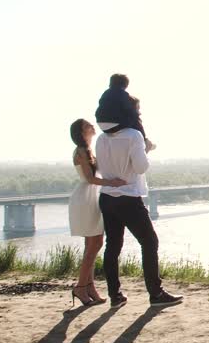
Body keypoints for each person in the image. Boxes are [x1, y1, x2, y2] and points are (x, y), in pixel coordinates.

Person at [95, 123, 182, 308]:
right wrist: (146, 148)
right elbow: (141, 167)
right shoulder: (134, 135)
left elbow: (102, 168)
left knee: (113, 246)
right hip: (128, 197)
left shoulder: (102, 138)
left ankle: (115, 296)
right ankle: (156, 294)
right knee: (150, 242)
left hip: (107, 197)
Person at [67, 119, 125, 307]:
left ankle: (89, 287)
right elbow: (91, 178)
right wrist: (112, 183)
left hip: (90, 197)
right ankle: (81, 287)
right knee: (95, 245)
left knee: (91, 246)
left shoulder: (88, 150)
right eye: (88, 126)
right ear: (82, 132)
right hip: (86, 198)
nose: (93, 127)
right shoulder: (82, 151)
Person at [95, 74, 156, 151]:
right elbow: (130, 112)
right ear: (125, 85)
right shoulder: (123, 95)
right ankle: (145, 141)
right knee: (135, 117)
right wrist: (136, 114)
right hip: (114, 125)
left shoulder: (105, 94)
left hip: (102, 124)